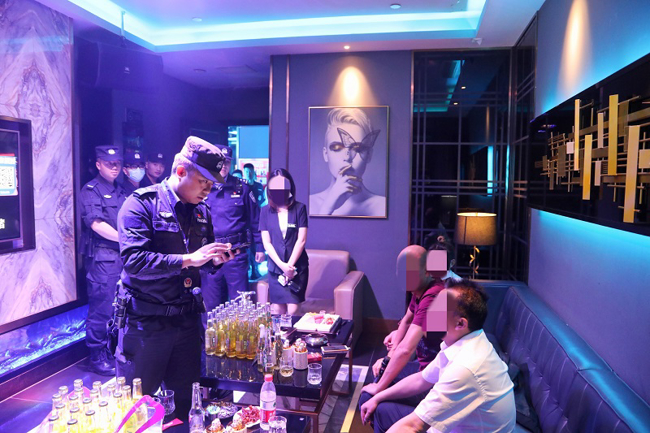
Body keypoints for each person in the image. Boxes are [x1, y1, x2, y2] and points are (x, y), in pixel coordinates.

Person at [116, 136, 236, 419]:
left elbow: (200, 262)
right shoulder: (140, 205)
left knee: (185, 406)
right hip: (146, 323)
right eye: (203, 181)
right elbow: (134, 262)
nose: (208, 190)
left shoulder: (202, 211)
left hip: (186, 322)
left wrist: (213, 261)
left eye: (211, 184)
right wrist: (189, 259)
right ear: (181, 171)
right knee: (136, 410)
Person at [360, 279, 516, 433]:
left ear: (460, 324)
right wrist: (378, 396)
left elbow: (413, 426)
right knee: (377, 406)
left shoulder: (465, 367)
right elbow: (422, 379)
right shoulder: (461, 341)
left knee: (387, 414)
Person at [358, 239, 458, 411]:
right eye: (401, 270)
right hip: (425, 369)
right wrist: (389, 358)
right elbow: (406, 320)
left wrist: (380, 387)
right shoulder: (419, 290)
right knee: (378, 376)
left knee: (370, 397)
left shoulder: (434, 295)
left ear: (427, 271)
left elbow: (406, 349)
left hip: (437, 379)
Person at [79, 145, 128, 376]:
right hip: (103, 258)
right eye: (109, 164)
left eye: (117, 163)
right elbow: (96, 224)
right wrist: (127, 239)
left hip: (123, 256)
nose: (114, 167)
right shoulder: (91, 189)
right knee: (102, 308)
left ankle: (114, 350)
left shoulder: (121, 190)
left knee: (122, 307)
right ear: (98, 164)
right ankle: (97, 355)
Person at [202, 145, 265, 308]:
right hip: (210, 254)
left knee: (241, 304)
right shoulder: (202, 186)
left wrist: (259, 247)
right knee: (212, 306)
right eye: (220, 162)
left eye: (227, 162)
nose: (224, 166)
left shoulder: (242, 188)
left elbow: (255, 220)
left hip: (236, 253)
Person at [309, 107, 386, 216]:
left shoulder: (382, 206)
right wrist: (326, 208)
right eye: (337, 147)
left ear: (369, 155)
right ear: (326, 154)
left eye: (357, 149)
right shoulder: (310, 205)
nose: (347, 157)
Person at [258, 169, 308, 314]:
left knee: (293, 310)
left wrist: (289, 267)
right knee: (277, 309)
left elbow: (301, 240)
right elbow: (267, 242)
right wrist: (282, 266)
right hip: (275, 268)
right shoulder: (265, 211)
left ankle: (294, 330)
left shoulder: (299, 208)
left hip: (296, 268)